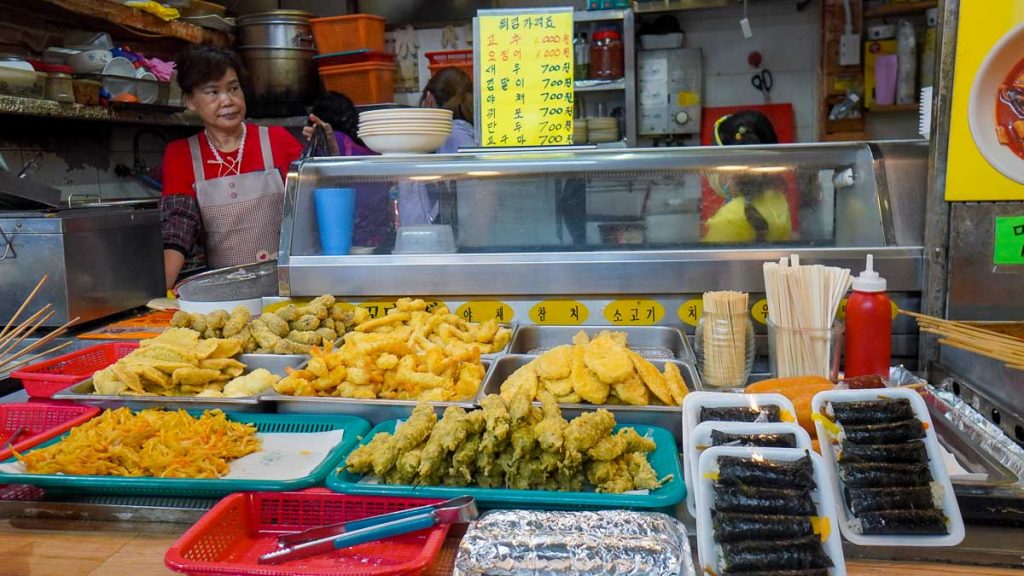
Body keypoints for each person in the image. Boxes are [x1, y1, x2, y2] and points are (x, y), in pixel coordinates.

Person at [160, 45, 329, 289]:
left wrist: (325, 152)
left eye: (233, 88)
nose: (227, 100)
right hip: (223, 292)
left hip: (285, 287)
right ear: (190, 101)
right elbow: (179, 226)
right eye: (212, 92)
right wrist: (159, 290)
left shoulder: (277, 140)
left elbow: (316, 204)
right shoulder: (181, 154)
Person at [701, 110, 794, 243]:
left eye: (716, 165)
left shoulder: (729, 219)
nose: (711, 172)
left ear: (736, 170)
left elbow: (707, 263)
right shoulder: (776, 199)